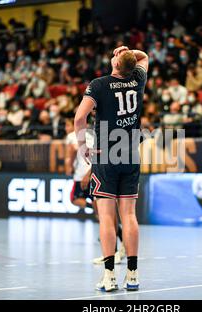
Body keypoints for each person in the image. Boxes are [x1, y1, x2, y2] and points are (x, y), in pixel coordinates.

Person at [74, 46, 148, 292]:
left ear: (116, 64)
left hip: (106, 155)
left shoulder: (99, 84)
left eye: (116, 56)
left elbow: (79, 118)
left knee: (106, 216)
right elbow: (143, 57)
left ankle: (109, 276)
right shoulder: (137, 79)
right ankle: (133, 274)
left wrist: (83, 145)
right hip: (130, 154)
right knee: (129, 215)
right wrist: (128, 52)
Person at [65, 119, 126, 265]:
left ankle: (116, 251)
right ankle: (117, 249)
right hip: (97, 173)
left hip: (91, 174)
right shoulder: (93, 134)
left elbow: (74, 155)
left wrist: (86, 173)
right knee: (105, 214)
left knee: (106, 215)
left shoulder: (76, 136)